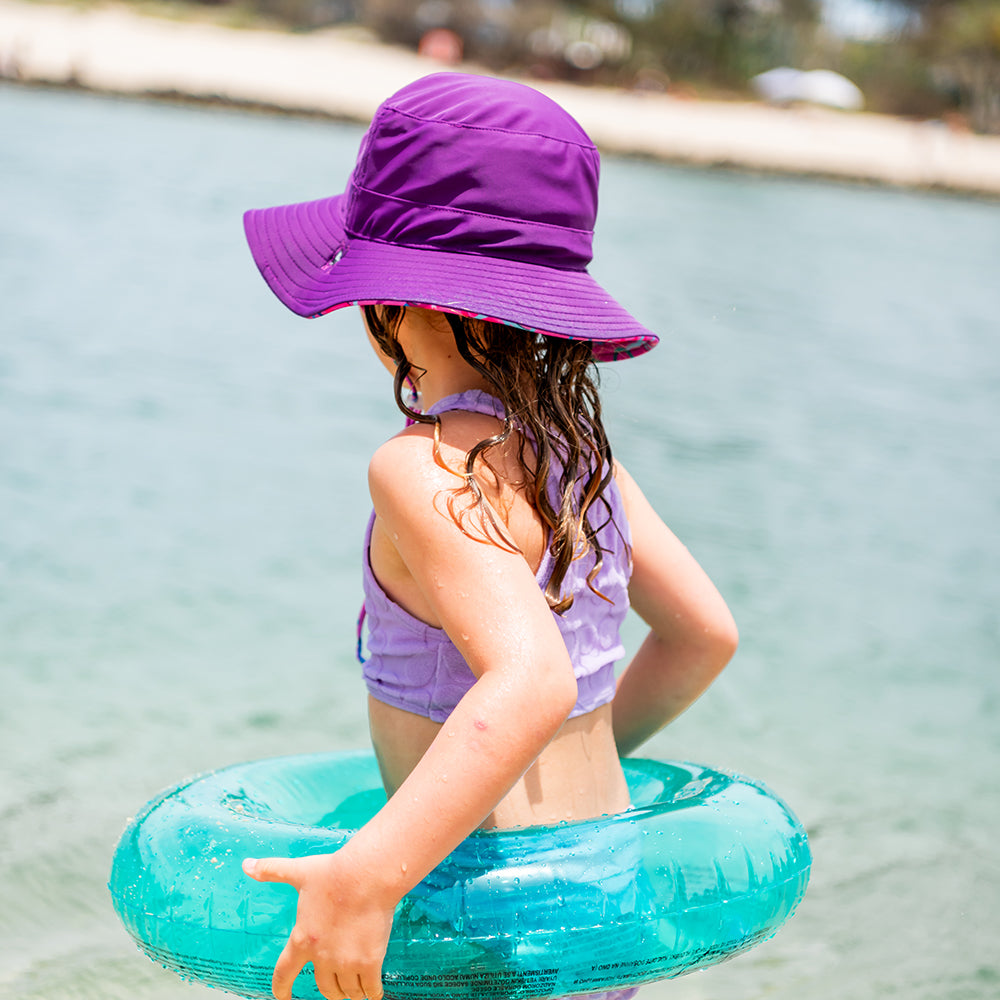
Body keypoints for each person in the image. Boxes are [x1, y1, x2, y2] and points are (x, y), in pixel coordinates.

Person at [240, 73, 738, 1000]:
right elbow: (706, 634)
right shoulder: (584, 459)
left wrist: (369, 874)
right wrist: (593, 754)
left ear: (395, 299)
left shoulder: (420, 468)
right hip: (600, 902)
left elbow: (532, 680)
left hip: (488, 924)